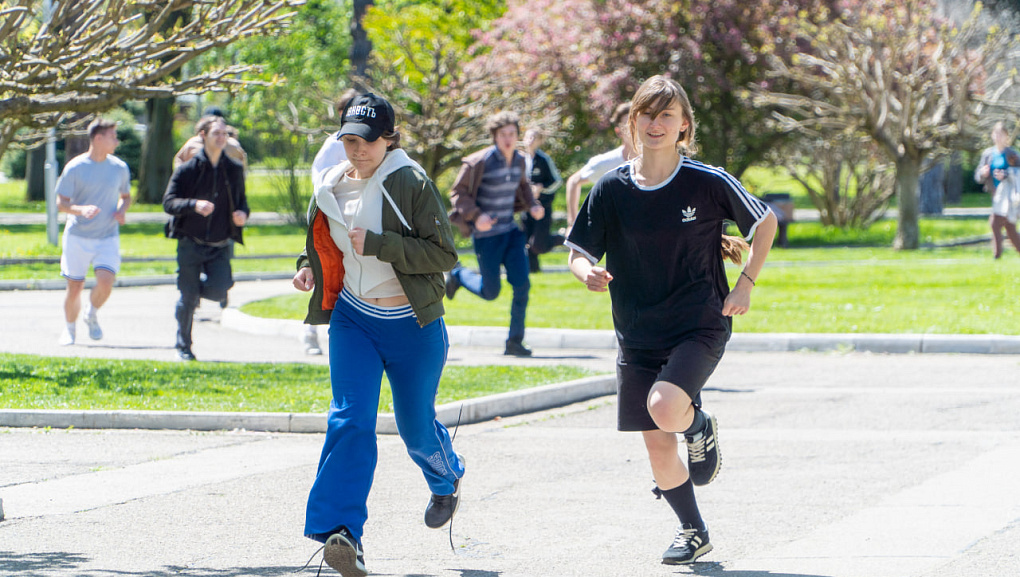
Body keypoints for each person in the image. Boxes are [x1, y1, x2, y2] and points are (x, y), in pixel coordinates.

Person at [565, 75, 777, 566]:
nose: (656, 124)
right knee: (658, 447)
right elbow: (577, 250)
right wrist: (586, 274)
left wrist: (746, 283)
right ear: (632, 121)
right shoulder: (612, 187)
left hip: (699, 322)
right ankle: (692, 530)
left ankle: (698, 426)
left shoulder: (708, 181)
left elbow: (764, 223)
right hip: (637, 332)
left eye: (666, 115)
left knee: (665, 408)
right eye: (647, 114)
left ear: (684, 125)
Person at [292, 93, 465, 577]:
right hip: (354, 320)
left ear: (389, 138)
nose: (357, 150)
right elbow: (325, 243)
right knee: (349, 419)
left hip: (413, 325)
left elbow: (444, 255)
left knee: (414, 427)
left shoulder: (409, 181)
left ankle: (445, 476)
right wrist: (309, 268)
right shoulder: (330, 184)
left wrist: (383, 245)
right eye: (348, 140)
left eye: (367, 141)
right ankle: (342, 534)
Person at [446, 111, 545, 357]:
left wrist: (532, 204)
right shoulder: (480, 162)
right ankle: (458, 274)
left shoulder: (520, 160)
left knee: (522, 285)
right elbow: (457, 192)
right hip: (487, 236)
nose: (508, 139)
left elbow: (522, 187)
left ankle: (515, 341)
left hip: (511, 232)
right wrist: (476, 216)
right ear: (494, 137)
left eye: (512, 134)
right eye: (503, 134)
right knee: (490, 292)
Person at [163, 115, 249, 361]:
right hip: (190, 241)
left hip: (220, 244)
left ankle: (188, 295)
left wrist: (243, 214)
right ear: (203, 136)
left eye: (225, 134)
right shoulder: (188, 169)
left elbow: (243, 202)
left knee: (221, 289)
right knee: (188, 297)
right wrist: (194, 204)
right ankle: (184, 346)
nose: (222, 139)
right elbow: (169, 202)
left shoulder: (233, 169)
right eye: (216, 134)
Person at [55, 118, 132, 346]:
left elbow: (126, 197)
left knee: (106, 282)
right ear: (98, 139)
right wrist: (80, 210)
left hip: (107, 235)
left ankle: (91, 313)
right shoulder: (76, 167)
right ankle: (69, 329)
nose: (117, 142)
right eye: (113, 137)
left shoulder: (119, 168)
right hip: (78, 236)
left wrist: (121, 211)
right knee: (75, 287)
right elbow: (61, 203)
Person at [304, 88, 361, 355]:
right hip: (333, 222)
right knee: (323, 275)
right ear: (340, 113)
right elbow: (320, 186)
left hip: (356, 224)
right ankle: (311, 333)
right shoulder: (334, 145)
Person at [564, 102, 635, 230]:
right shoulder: (607, 162)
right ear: (618, 131)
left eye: (635, 123)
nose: (632, 129)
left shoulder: (656, 160)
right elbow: (574, 181)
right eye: (627, 125)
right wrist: (572, 223)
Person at [521, 128, 564, 272]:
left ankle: (563, 238)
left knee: (538, 244)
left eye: (534, 138)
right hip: (526, 207)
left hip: (543, 206)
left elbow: (557, 181)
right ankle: (534, 271)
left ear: (540, 141)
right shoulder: (520, 159)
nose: (530, 140)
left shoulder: (544, 160)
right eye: (528, 137)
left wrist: (541, 188)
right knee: (526, 242)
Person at [975, 122, 1020, 258]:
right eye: (996, 134)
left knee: (995, 223)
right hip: (996, 196)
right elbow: (978, 176)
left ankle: (997, 255)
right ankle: (1000, 254)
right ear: (992, 136)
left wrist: (1005, 175)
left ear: (1007, 136)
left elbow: (1018, 173)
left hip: (1009, 197)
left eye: (1002, 134)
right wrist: (982, 173)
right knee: (1009, 228)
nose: (999, 137)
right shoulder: (988, 154)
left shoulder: (1012, 154)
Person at [173, 107, 248, 170]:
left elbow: (241, 162)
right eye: (208, 121)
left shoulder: (232, 145)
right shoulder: (193, 143)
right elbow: (179, 160)